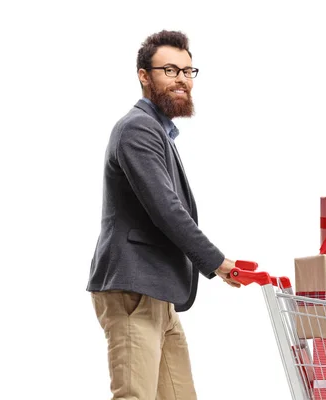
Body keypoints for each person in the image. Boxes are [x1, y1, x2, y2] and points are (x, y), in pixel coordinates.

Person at [86, 30, 241, 400]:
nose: (182, 81)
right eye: (170, 70)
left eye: (188, 72)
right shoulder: (137, 129)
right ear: (144, 75)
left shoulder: (157, 130)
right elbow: (166, 209)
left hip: (159, 294)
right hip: (133, 291)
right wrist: (219, 263)